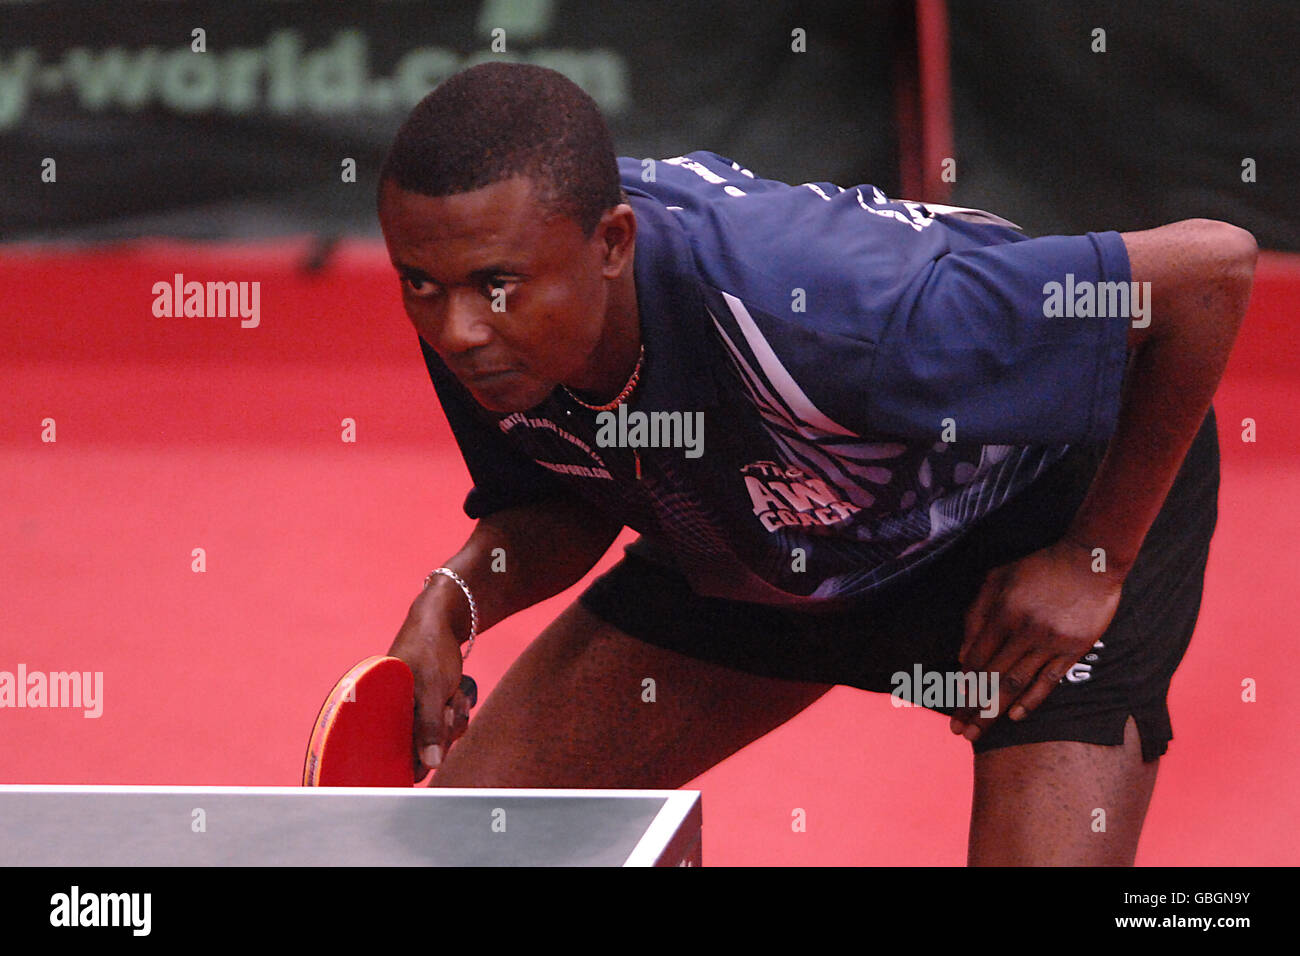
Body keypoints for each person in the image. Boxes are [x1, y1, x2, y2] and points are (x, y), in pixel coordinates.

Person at [377, 62, 1255, 865]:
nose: (456, 329)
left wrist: (1092, 560)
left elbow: (1212, 272)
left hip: (1029, 529)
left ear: (611, 244)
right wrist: (453, 601)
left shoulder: (847, 321)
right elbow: (564, 496)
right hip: (761, 541)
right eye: (419, 283)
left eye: (494, 287)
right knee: (470, 848)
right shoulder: (489, 316)